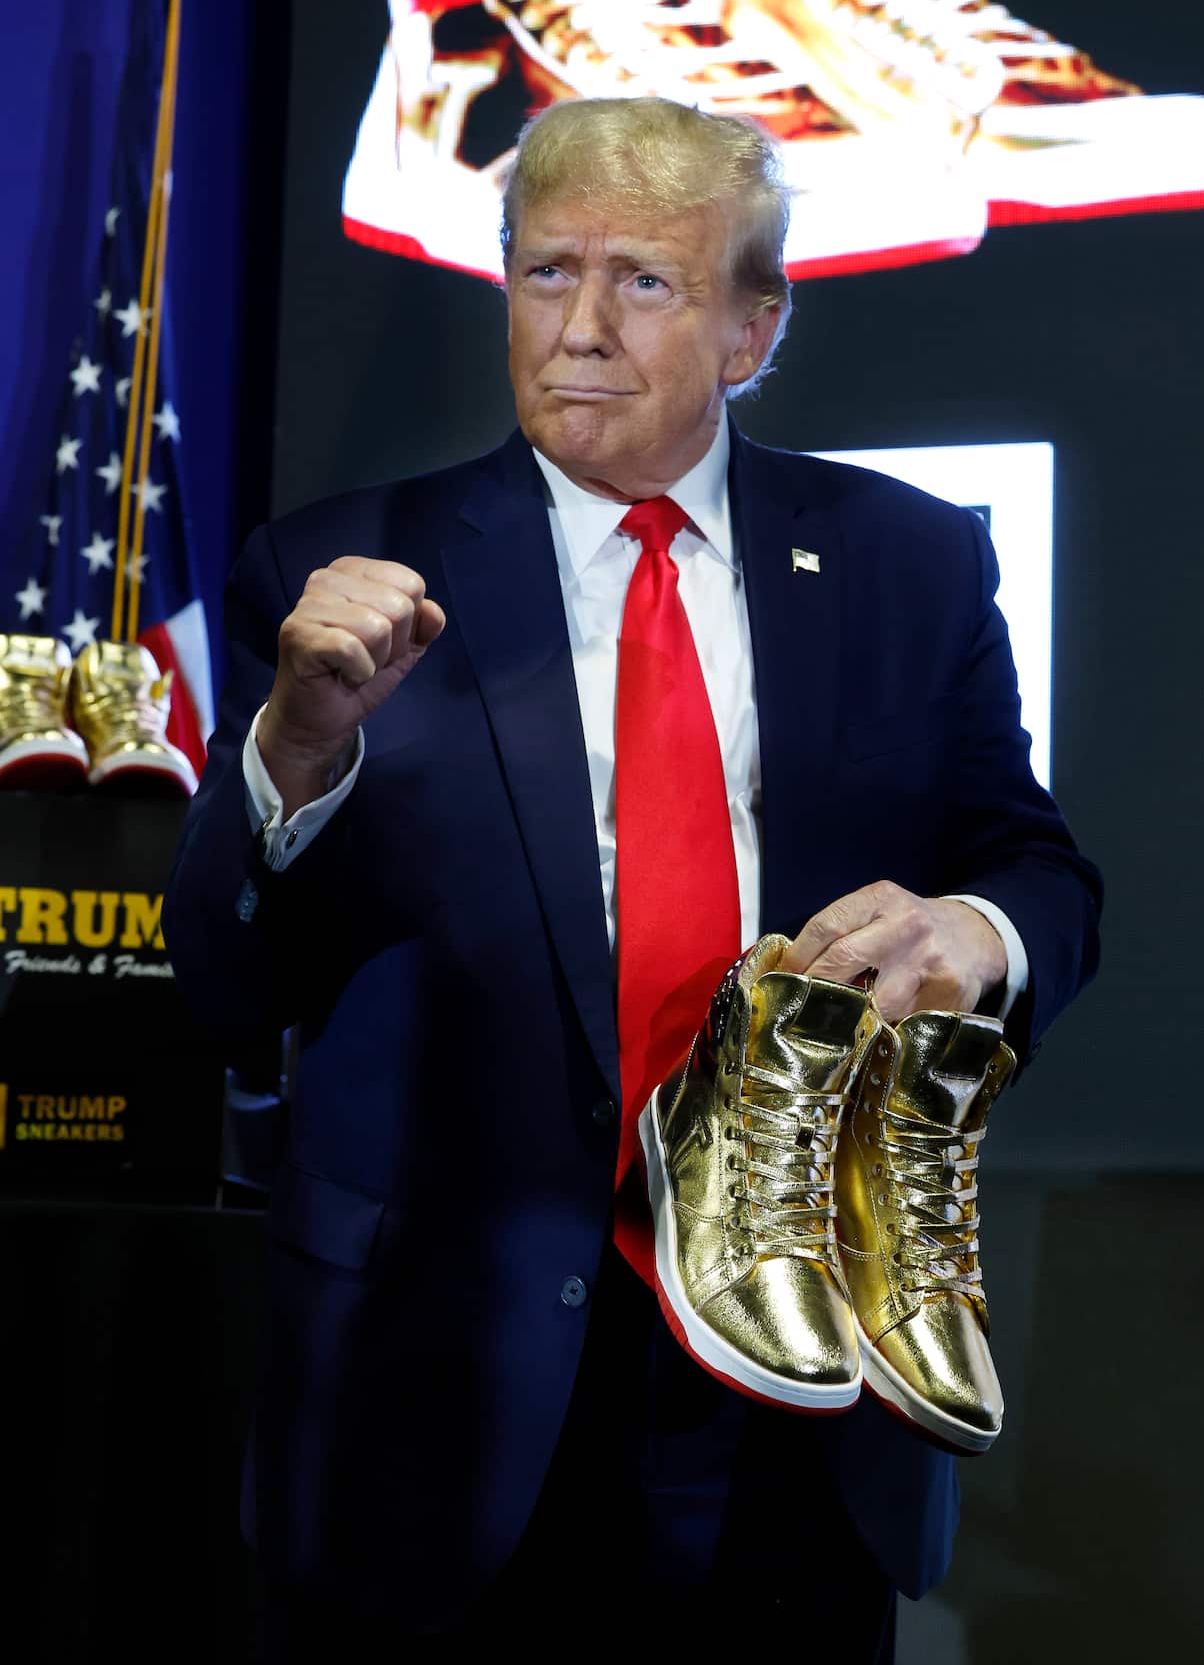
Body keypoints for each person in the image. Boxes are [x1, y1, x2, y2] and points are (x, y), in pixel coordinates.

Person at [164, 96, 1100, 1660]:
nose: (580, 329)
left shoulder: (911, 562)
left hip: (795, 1384)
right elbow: (228, 978)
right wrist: (299, 742)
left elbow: (1036, 869)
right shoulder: (334, 570)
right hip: (435, 1400)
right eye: (545, 274)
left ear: (754, 327)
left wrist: (975, 933)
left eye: (644, 284)